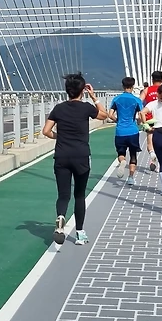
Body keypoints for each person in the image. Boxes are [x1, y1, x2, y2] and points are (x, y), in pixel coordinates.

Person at [42, 73, 100, 246]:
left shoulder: (59, 108)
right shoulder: (86, 108)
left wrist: (59, 137)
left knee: (63, 195)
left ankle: (61, 218)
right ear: (82, 90)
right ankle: (80, 233)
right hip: (81, 156)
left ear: (67, 90)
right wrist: (94, 97)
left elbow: (46, 131)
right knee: (79, 195)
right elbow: (104, 115)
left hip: (62, 156)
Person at [108, 76, 144, 186]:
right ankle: (131, 178)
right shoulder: (137, 100)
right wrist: (139, 122)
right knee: (133, 155)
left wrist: (117, 120)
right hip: (133, 131)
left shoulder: (116, 99)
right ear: (133, 86)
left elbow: (110, 115)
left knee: (121, 153)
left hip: (120, 131)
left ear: (122, 86)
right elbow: (141, 115)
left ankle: (122, 161)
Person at [141, 70, 162, 172]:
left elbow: (139, 101)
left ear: (152, 79)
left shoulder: (147, 90)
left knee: (150, 141)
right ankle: (159, 165)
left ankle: (152, 154)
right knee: (161, 142)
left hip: (149, 119)